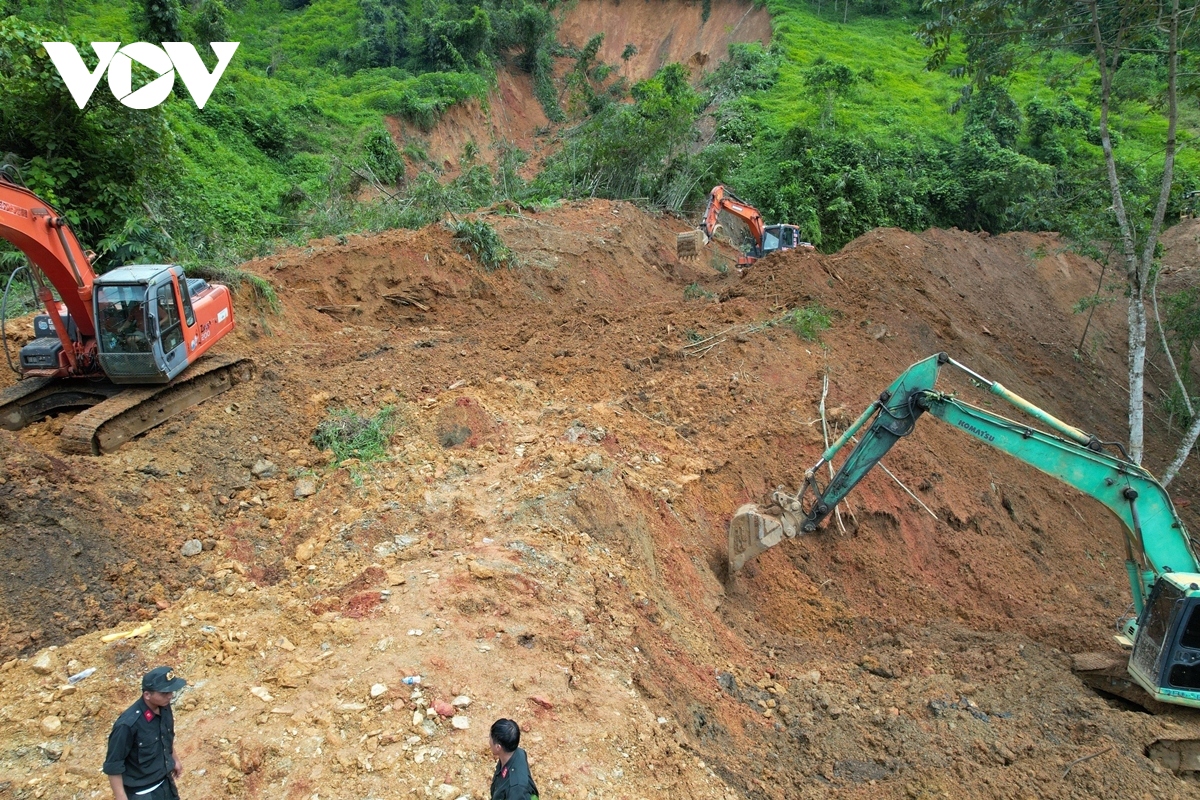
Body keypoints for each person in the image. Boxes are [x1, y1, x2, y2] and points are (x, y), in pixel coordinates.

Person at [102, 666, 187, 800]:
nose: (170, 696)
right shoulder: (127, 725)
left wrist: (174, 759)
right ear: (147, 695)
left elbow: (165, 736)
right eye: (164, 693)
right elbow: (114, 765)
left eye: (170, 691)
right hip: (143, 793)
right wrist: (121, 797)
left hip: (165, 783)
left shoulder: (164, 708)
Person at [489, 718, 539, 800]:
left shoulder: (516, 789)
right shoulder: (518, 753)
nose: (489, 741)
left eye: (490, 738)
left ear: (498, 747)